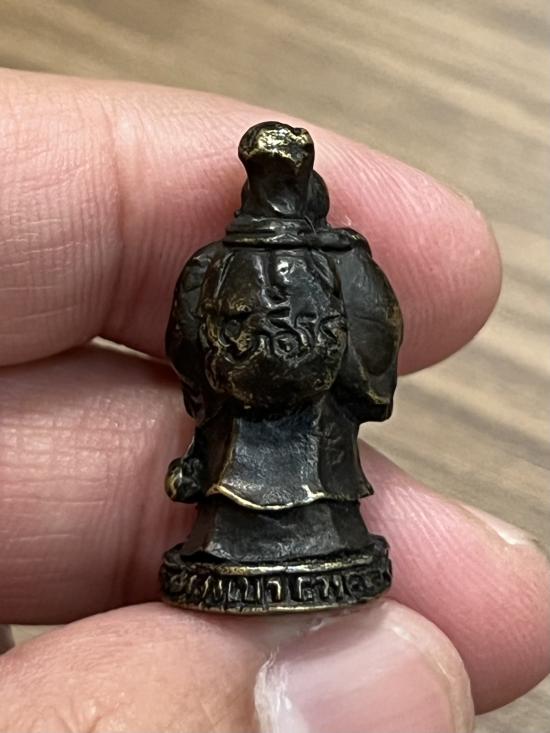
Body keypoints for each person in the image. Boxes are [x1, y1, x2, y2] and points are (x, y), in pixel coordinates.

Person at [0, 68, 548, 732]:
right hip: (269, 465)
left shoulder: (227, 263)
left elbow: (194, 356)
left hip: (283, 461)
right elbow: (363, 358)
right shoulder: (330, 263)